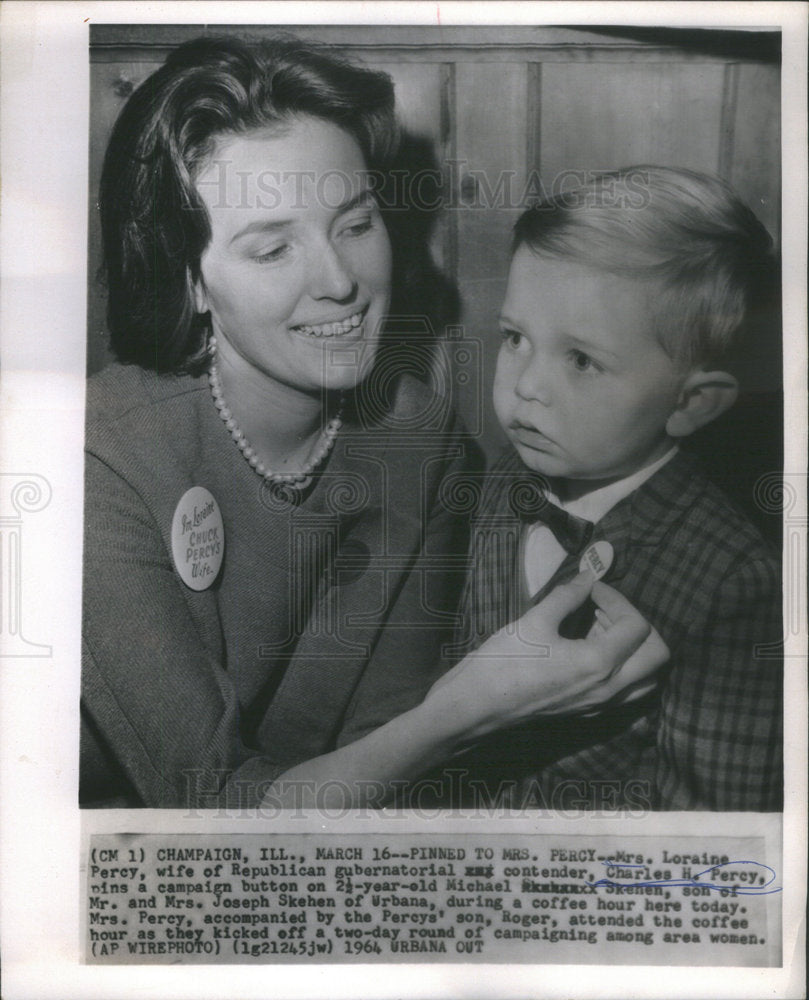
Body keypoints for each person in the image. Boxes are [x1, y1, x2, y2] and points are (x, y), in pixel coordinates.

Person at [81, 36, 665, 811]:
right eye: (272, 248)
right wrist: (472, 705)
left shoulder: (418, 438)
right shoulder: (96, 465)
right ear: (189, 279)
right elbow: (214, 817)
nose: (340, 283)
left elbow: (379, 744)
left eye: (355, 225)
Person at [453, 166, 782, 810]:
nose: (527, 386)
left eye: (581, 360)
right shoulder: (500, 478)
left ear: (691, 404)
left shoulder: (740, 580)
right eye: (516, 339)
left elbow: (710, 840)